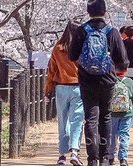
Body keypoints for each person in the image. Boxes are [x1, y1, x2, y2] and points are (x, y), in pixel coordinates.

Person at [68, 0, 129, 166]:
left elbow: (72, 56)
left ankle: (92, 159)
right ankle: (105, 158)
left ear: (88, 12)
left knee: (91, 119)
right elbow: (123, 61)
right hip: (108, 81)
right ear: (104, 12)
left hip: (87, 81)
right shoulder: (112, 31)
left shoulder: (81, 31)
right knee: (106, 118)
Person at [46, 21, 85, 166]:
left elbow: (51, 71)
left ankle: (62, 155)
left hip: (61, 87)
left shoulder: (58, 48)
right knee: (77, 120)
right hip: (78, 87)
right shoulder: (81, 48)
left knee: (63, 120)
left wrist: (48, 90)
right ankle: (74, 152)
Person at [108, 65, 133, 166]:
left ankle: (111, 157)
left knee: (112, 135)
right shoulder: (129, 82)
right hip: (127, 113)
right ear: (126, 70)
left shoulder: (109, 80)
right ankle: (123, 159)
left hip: (112, 113)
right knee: (124, 135)